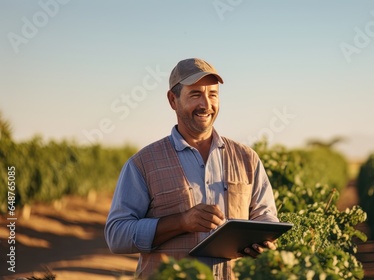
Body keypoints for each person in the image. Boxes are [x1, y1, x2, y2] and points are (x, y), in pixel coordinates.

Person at [104, 58, 279, 279]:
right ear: (172, 100)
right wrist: (181, 222)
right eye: (195, 94)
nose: (206, 104)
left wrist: (264, 242)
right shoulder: (143, 164)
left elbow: (265, 216)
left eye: (213, 95)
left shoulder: (247, 158)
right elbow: (116, 236)